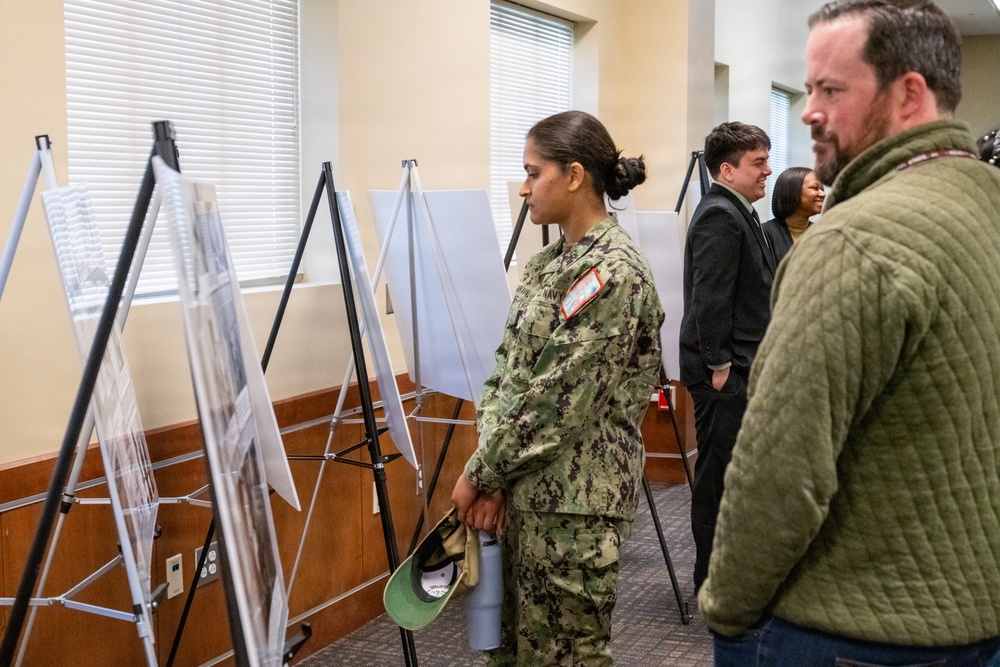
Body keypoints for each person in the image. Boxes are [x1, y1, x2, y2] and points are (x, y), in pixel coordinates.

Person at [700, 1, 1000, 665]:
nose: (808, 112)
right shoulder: (986, 207)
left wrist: (725, 606)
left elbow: (779, 473)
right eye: (808, 90)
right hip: (976, 618)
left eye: (830, 91)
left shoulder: (852, 241)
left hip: (851, 630)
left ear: (910, 94)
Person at [451, 110, 664, 666]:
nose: (523, 189)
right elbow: (508, 373)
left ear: (573, 175)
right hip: (522, 494)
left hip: (575, 510)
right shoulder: (550, 263)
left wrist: (481, 473)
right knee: (513, 653)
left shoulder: (613, 271)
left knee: (564, 656)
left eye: (532, 172)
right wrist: (494, 476)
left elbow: (557, 399)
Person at [678, 121, 775, 593]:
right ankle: (711, 584)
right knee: (717, 479)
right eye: (758, 163)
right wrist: (720, 370)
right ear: (727, 169)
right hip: (725, 374)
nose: (768, 171)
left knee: (734, 475)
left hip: (736, 369)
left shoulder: (736, 209)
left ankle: (728, 578)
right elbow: (709, 301)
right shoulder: (720, 214)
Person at [762, 166, 826, 263]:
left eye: (822, 189)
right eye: (815, 188)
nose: (822, 194)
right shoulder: (764, 234)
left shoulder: (824, 233)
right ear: (792, 191)